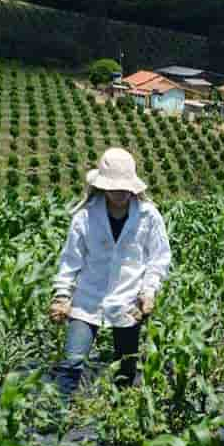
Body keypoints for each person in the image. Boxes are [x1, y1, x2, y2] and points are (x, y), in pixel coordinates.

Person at [49, 148, 171, 397]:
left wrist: (149, 292)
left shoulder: (148, 216)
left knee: (125, 366)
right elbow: (71, 260)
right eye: (115, 188)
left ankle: (120, 413)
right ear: (103, 187)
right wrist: (62, 295)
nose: (121, 193)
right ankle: (56, 416)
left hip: (129, 301)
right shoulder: (85, 217)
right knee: (72, 361)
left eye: (125, 188)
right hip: (88, 299)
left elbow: (158, 258)